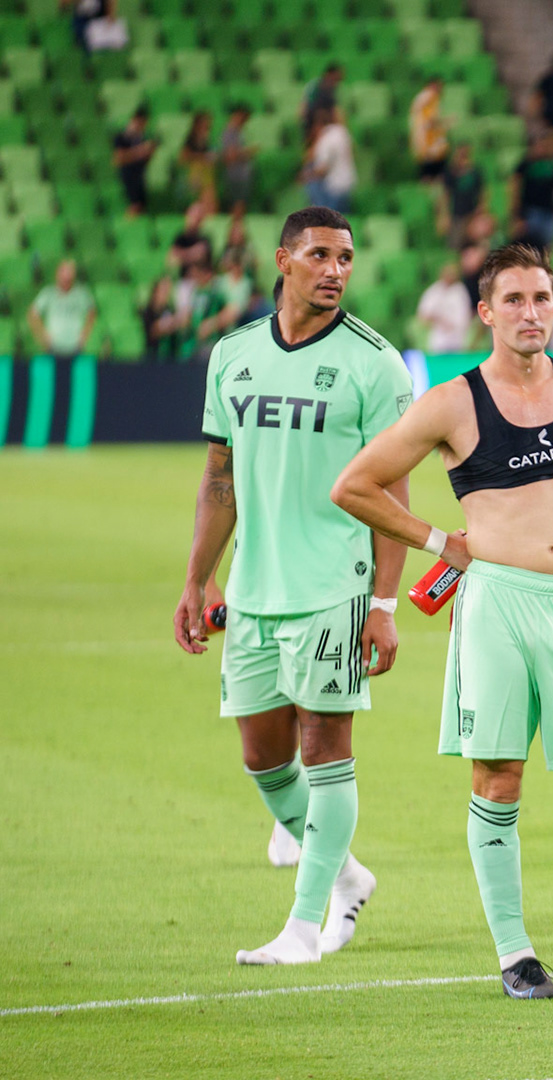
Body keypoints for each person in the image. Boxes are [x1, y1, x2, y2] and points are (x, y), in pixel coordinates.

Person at [330, 242, 553, 999]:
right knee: (499, 777)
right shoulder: (453, 400)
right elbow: (356, 485)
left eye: (543, 298)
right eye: (514, 300)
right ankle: (516, 956)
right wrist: (438, 542)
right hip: (495, 607)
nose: (531, 313)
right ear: (485, 313)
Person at [171, 206, 412, 965]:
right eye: (319, 255)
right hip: (252, 589)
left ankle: (304, 929)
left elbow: (394, 496)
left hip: (335, 586)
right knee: (264, 759)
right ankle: (344, 874)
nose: (336, 269)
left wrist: (383, 604)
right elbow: (220, 479)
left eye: (345, 256)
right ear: (283, 260)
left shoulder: (376, 363)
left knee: (325, 748)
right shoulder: (234, 354)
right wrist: (196, 579)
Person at [29, 260, 97, 360]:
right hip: (52, 347)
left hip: (76, 346)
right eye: (63, 275)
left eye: (69, 276)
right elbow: (33, 314)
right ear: (57, 275)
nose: (66, 279)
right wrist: (42, 335)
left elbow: (92, 312)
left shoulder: (82, 293)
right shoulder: (48, 293)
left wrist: (85, 334)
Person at [511, 137, 553, 250]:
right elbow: (516, 187)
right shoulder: (526, 164)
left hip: (550, 211)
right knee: (529, 245)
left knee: (547, 246)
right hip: (531, 210)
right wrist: (518, 214)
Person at [304, 107, 356, 214]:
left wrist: (305, 176)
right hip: (348, 184)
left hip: (335, 188)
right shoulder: (342, 132)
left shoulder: (326, 138)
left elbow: (322, 169)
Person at [416, 261, 474, 354]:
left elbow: (465, 317)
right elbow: (423, 315)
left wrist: (450, 324)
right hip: (438, 341)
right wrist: (438, 320)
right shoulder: (434, 291)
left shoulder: (460, 292)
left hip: (457, 340)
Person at [112, 107, 157, 218]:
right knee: (135, 205)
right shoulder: (122, 137)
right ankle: (127, 227)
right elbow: (118, 159)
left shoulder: (142, 138)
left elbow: (145, 160)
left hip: (140, 175)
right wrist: (140, 151)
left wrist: (149, 152)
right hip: (129, 175)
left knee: (141, 206)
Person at [441, 144, 486, 246]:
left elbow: (482, 191)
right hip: (457, 214)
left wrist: (481, 208)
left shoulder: (475, 171)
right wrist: (445, 215)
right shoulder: (451, 172)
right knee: (455, 243)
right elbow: (446, 194)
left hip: (472, 213)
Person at [409, 77, 451, 184]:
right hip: (429, 144)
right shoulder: (428, 97)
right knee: (431, 177)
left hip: (428, 144)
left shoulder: (424, 99)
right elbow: (431, 122)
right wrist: (446, 121)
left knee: (431, 176)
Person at [220, 106, 257, 213]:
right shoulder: (229, 133)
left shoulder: (241, 133)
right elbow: (230, 155)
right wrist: (247, 152)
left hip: (243, 173)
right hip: (235, 174)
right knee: (237, 201)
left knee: (242, 201)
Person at [179, 110, 217, 211]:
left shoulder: (206, 139)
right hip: (195, 172)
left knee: (210, 198)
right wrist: (202, 156)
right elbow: (183, 157)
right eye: (205, 122)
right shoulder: (190, 138)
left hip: (206, 171)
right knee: (202, 197)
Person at [141, 277, 185, 361]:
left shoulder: (170, 310)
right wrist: (167, 325)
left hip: (170, 359)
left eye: (167, 291)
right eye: (163, 291)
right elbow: (151, 332)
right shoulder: (147, 312)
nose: (166, 294)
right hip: (151, 358)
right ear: (155, 292)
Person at [302, 63, 344, 138]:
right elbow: (304, 107)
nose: (337, 83)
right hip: (312, 120)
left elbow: (335, 111)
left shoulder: (332, 90)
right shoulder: (315, 86)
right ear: (328, 74)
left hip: (325, 122)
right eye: (336, 78)